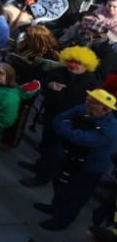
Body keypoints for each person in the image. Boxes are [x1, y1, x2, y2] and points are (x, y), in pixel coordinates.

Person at [30, 88, 117, 231]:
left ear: (105, 109)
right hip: (69, 156)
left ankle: (62, 220)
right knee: (60, 182)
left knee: (76, 194)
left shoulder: (112, 127)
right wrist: (69, 129)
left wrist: (66, 128)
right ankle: (55, 207)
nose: (87, 105)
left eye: (92, 103)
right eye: (88, 100)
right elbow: (58, 120)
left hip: (90, 166)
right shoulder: (83, 109)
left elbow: (83, 139)